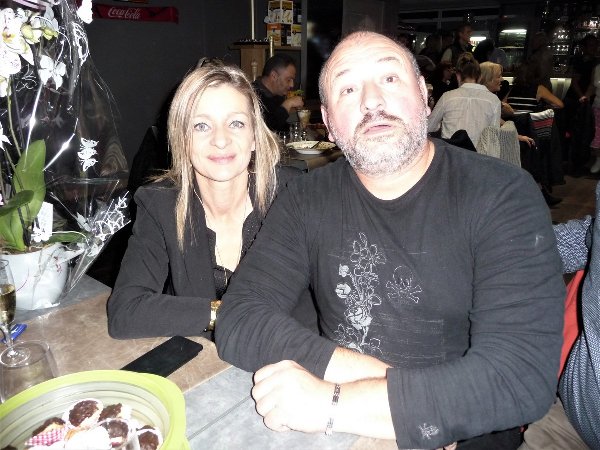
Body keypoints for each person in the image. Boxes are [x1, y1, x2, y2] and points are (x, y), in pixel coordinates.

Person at [216, 31, 565, 449]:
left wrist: (331, 403)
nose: (371, 100)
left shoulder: (502, 194)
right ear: (328, 121)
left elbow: (519, 377)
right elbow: (239, 317)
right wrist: (397, 394)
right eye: (348, 89)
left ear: (425, 95)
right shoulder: (306, 198)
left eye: (390, 78)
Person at [107, 60, 315, 339]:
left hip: (288, 356)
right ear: (182, 139)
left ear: (254, 136)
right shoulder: (160, 204)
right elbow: (125, 311)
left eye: (236, 123)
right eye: (202, 126)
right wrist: (225, 314)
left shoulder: (294, 195)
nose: (220, 140)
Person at [428, 53, 500, 147]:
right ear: (479, 77)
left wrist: (441, 125)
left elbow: (429, 127)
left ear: (458, 76)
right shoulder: (494, 100)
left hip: (451, 153)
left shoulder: (447, 97)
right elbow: (494, 137)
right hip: (478, 155)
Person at [252, 54, 304, 133]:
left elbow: (280, 127)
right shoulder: (251, 95)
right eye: (288, 80)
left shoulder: (276, 95)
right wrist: (288, 104)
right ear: (274, 76)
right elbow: (266, 130)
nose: (292, 85)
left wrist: (298, 128)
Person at [588, 63, 600, 173]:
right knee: (597, 135)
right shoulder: (597, 68)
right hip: (598, 105)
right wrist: (586, 95)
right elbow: (592, 86)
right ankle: (598, 160)